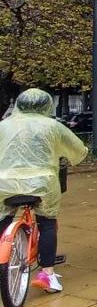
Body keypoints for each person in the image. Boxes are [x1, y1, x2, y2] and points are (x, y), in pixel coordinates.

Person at [0, 89, 87, 293]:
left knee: (3, 218)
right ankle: (47, 274)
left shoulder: (3, 126)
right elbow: (79, 151)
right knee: (47, 223)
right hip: (42, 184)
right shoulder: (52, 126)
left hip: (5, 183)